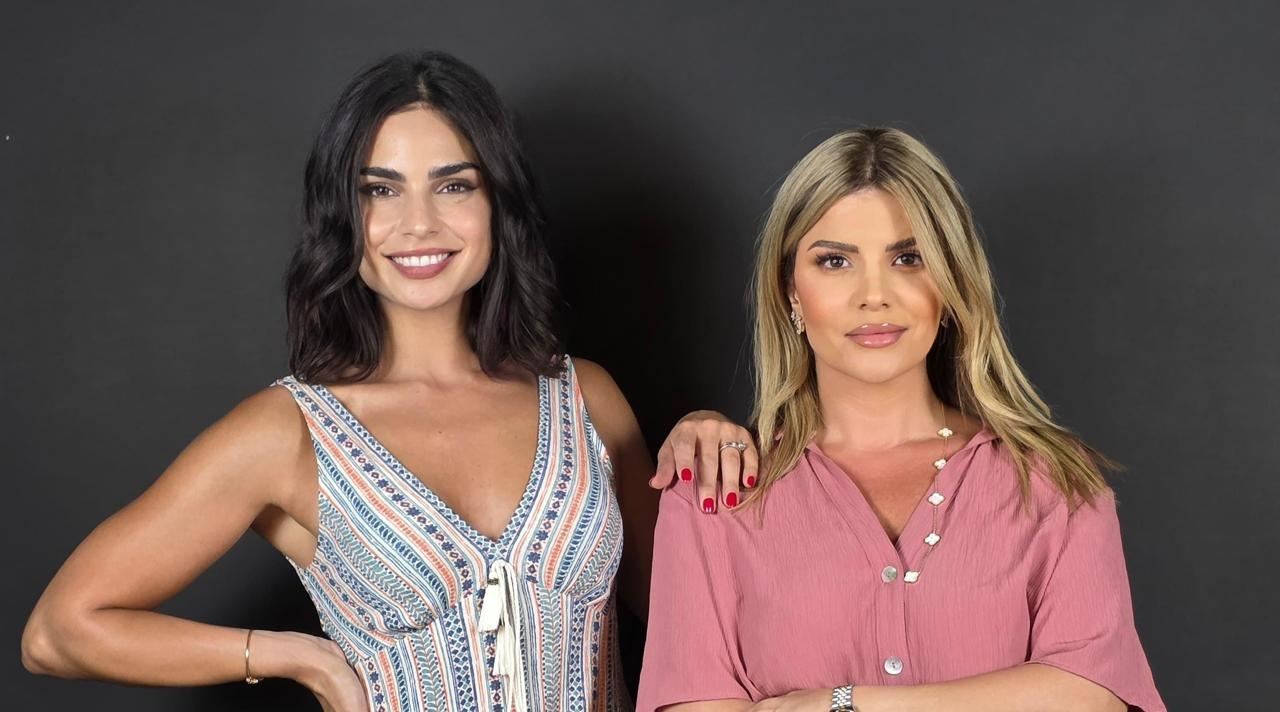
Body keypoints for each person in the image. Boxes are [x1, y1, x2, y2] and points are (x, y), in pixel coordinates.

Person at [21, 50, 754, 712]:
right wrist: (294, 657)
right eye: (380, 190)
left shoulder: (584, 398)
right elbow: (57, 632)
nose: (418, 224)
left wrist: (700, 438)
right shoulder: (290, 431)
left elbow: (702, 622)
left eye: (454, 185)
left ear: (497, 204)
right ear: (343, 214)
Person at [637, 128, 1166, 712]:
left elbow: (1094, 694)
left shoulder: (1056, 482)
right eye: (835, 261)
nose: (874, 295)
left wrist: (842, 703)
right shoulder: (714, 491)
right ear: (791, 292)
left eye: (908, 258)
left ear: (950, 282)